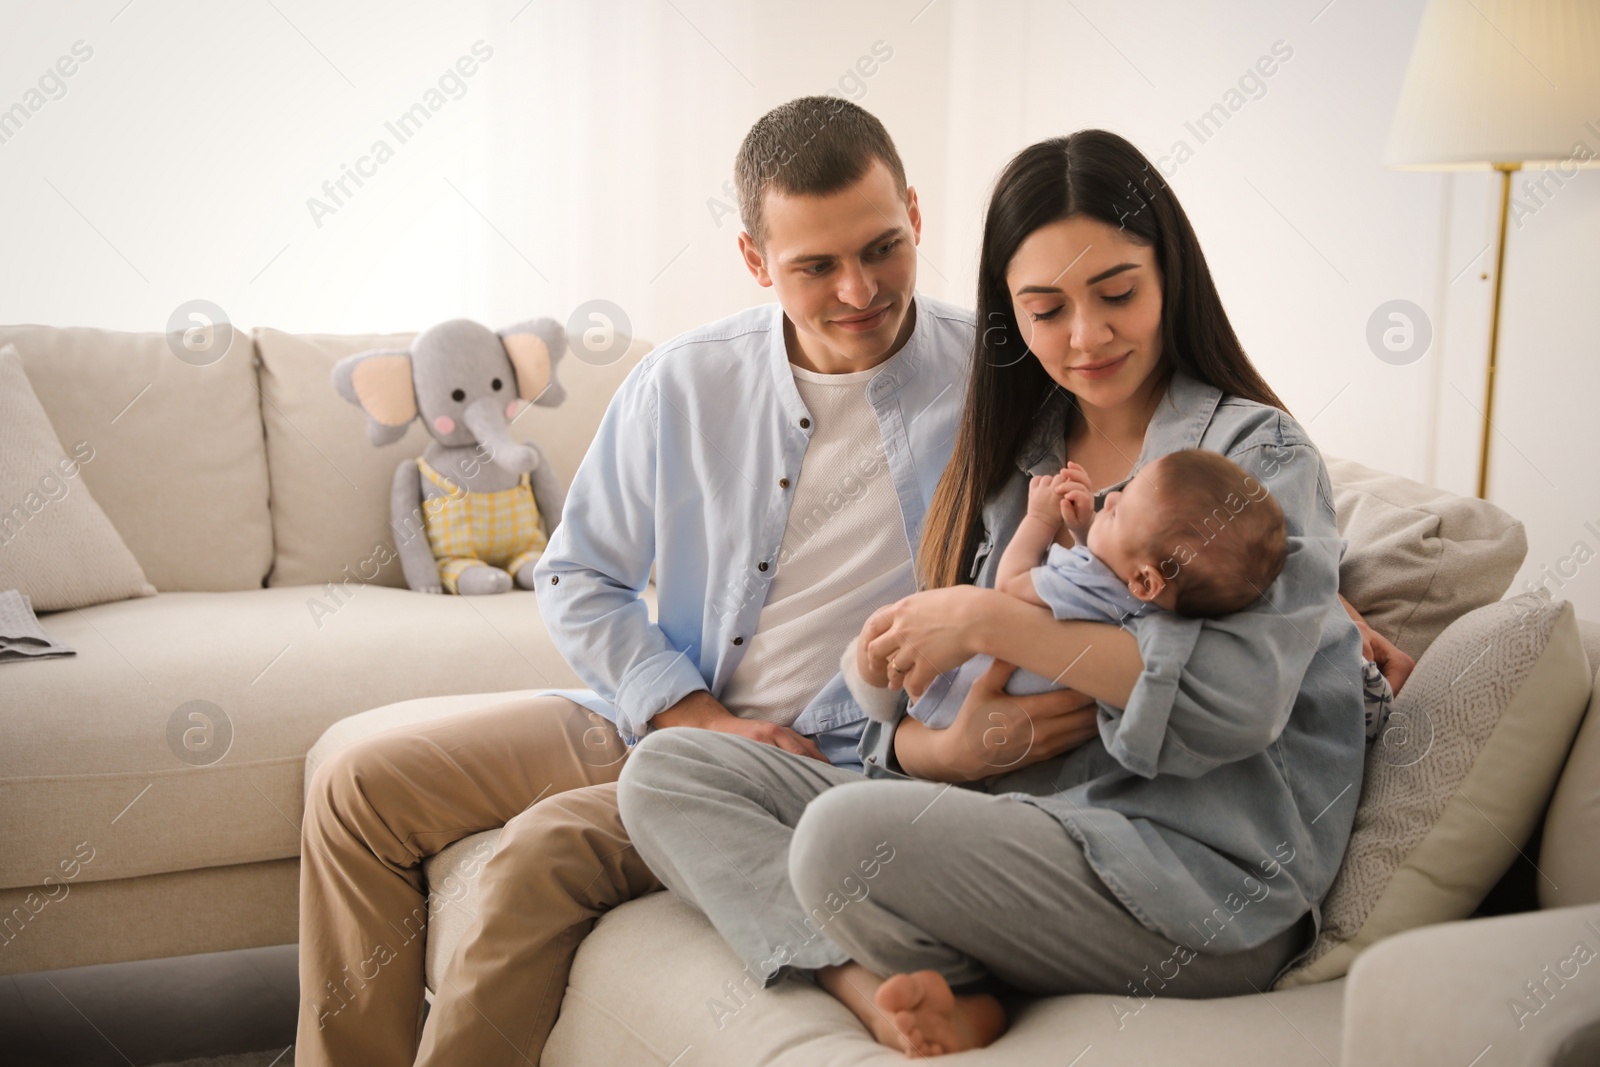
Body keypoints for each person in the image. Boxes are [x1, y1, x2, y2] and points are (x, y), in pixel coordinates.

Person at [294, 96, 1099, 1067]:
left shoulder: (1005, 377)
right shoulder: (685, 381)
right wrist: (691, 709)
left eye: (882, 247)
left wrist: (1332, 593)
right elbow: (579, 571)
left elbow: (1173, 461)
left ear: (917, 215)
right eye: (814, 266)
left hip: (840, 757)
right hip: (672, 712)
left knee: (543, 851)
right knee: (358, 786)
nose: (857, 289)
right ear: (758, 261)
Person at [616, 128, 1417, 1058]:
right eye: (1044, 309)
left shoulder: (1253, 459)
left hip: (1189, 879)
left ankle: (933, 962)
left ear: (1172, 277)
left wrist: (992, 620)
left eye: (1117, 293)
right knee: (669, 772)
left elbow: (1235, 702)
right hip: (1013, 820)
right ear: (1008, 315)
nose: (1086, 337)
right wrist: (935, 751)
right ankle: (863, 980)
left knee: (842, 840)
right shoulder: (1022, 462)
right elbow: (915, 707)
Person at [844, 447, 1289, 726]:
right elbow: (1103, 583)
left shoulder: (1092, 583)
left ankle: (865, 685)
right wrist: (1086, 531)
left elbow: (1011, 586)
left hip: (958, 701)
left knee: (875, 649)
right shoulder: (1150, 608)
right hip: (1009, 720)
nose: (1109, 498)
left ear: (1146, 580)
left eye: (1116, 512)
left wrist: (1040, 519)